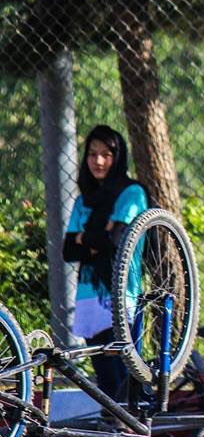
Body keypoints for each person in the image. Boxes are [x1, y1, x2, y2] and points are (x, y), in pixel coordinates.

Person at [62, 125, 148, 401]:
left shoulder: (131, 193)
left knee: (126, 378)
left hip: (122, 295)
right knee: (106, 382)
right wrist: (99, 235)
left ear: (117, 157)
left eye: (106, 155)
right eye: (92, 154)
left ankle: (134, 429)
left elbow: (116, 240)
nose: (98, 161)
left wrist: (84, 237)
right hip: (89, 296)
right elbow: (68, 251)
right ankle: (111, 429)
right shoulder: (83, 200)